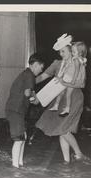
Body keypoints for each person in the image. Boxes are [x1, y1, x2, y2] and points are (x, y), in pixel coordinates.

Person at [35, 34, 89, 164]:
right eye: (59, 51)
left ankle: (79, 154)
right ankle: (67, 161)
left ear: (71, 50)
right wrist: (28, 82)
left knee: (63, 129)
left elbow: (82, 84)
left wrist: (66, 84)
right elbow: (42, 77)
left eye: (63, 51)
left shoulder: (79, 64)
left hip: (74, 98)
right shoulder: (57, 64)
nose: (60, 54)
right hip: (60, 98)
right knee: (61, 129)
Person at [5, 53, 44, 168]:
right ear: (36, 65)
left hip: (16, 110)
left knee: (23, 137)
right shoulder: (30, 75)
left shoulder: (26, 74)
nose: (41, 71)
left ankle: (20, 163)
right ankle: (15, 167)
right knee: (19, 138)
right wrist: (35, 99)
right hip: (16, 110)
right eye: (41, 68)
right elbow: (27, 93)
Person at [49, 41, 87, 117]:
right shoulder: (79, 59)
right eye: (72, 51)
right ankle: (58, 106)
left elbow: (76, 71)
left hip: (71, 79)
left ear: (79, 53)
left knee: (67, 94)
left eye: (74, 52)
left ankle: (66, 108)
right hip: (69, 77)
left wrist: (73, 80)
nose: (72, 53)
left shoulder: (76, 60)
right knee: (62, 92)